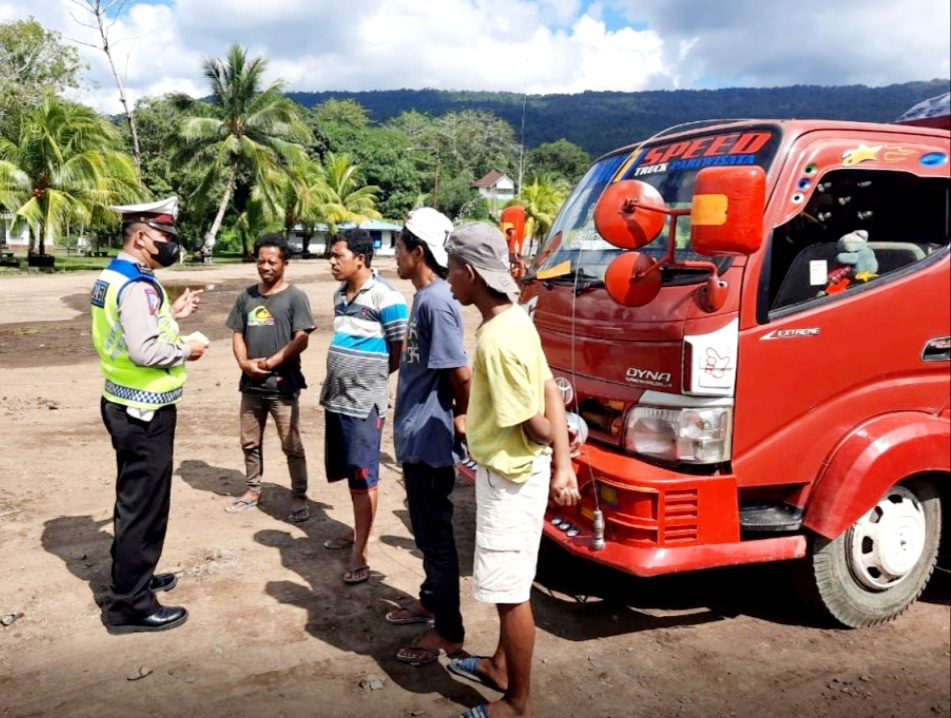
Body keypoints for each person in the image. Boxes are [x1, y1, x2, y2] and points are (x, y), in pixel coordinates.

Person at [441, 222, 581, 718]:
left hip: (512, 479)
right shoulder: (517, 320)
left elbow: (535, 423)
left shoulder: (496, 341)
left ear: (472, 273)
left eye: (453, 269)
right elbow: (549, 388)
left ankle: (516, 702)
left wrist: (563, 448)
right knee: (511, 580)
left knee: (510, 592)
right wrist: (562, 464)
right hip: (523, 472)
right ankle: (499, 665)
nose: (449, 278)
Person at [90, 196, 207, 634]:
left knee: (134, 498)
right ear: (141, 237)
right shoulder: (138, 285)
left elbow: (127, 331)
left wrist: (171, 314)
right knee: (144, 505)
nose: (170, 245)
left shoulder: (112, 277)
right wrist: (187, 348)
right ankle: (130, 605)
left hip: (122, 402)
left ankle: (134, 577)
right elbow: (143, 349)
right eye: (165, 237)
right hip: (143, 410)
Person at [390, 208, 470, 666]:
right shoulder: (425, 299)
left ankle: (450, 632)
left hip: (430, 440)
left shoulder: (437, 302)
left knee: (436, 537)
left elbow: (459, 375)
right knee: (424, 531)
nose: (396, 257)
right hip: (415, 436)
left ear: (416, 252)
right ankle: (429, 599)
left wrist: (465, 419)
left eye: (400, 248)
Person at [320, 228, 408, 584]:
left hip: (364, 403)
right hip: (337, 397)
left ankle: (362, 550)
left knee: (364, 474)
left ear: (360, 258)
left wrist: (371, 379)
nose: (331, 261)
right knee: (350, 472)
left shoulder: (388, 297)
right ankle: (357, 531)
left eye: (337, 255)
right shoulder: (340, 295)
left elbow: (397, 350)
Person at [224, 233, 315, 521]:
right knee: (249, 441)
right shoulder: (247, 297)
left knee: (291, 444)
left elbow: (302, 338)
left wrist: (273, 362)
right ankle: (252, 490)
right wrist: (244, 363)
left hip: (282, 385)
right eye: (261, 261)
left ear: (284, 263)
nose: (265, 266)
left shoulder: (295, 297)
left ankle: (299, 495)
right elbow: (237, 333)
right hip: (251, 384)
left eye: (272, 261)